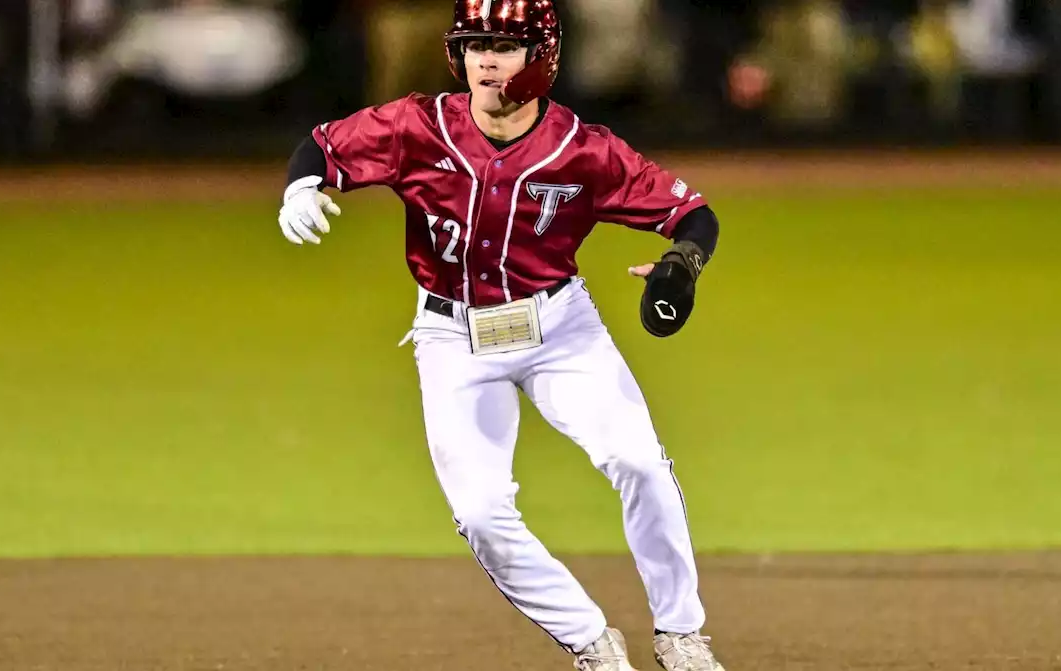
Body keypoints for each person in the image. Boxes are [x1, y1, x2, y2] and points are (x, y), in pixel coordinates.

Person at [276, 1, 725, 668]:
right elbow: (324, 143)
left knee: (637, 459)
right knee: (482, 513)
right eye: (476, 43)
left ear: (542, 54)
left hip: (561, 330)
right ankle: (589, 639)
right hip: (451, 338)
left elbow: (692, 215)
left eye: (506, 45)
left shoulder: (584, 150)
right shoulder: (419, 127)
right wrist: (301, 185)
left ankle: (681, 632)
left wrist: (680, 266)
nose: (487, 59)